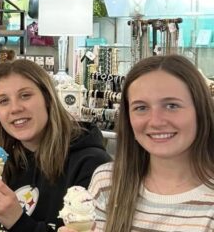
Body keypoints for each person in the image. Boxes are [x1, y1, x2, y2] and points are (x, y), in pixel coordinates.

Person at [0, 59, 111, 231]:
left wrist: (17, 219)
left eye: (25, 95)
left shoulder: (91, 164)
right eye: (3, 101)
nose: (14, 108)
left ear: (48, 99)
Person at [84, 55, 214, 231]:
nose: (156, 122)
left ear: (200, 110)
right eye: (141, 108)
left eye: (172, 106)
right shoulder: (107, 182)